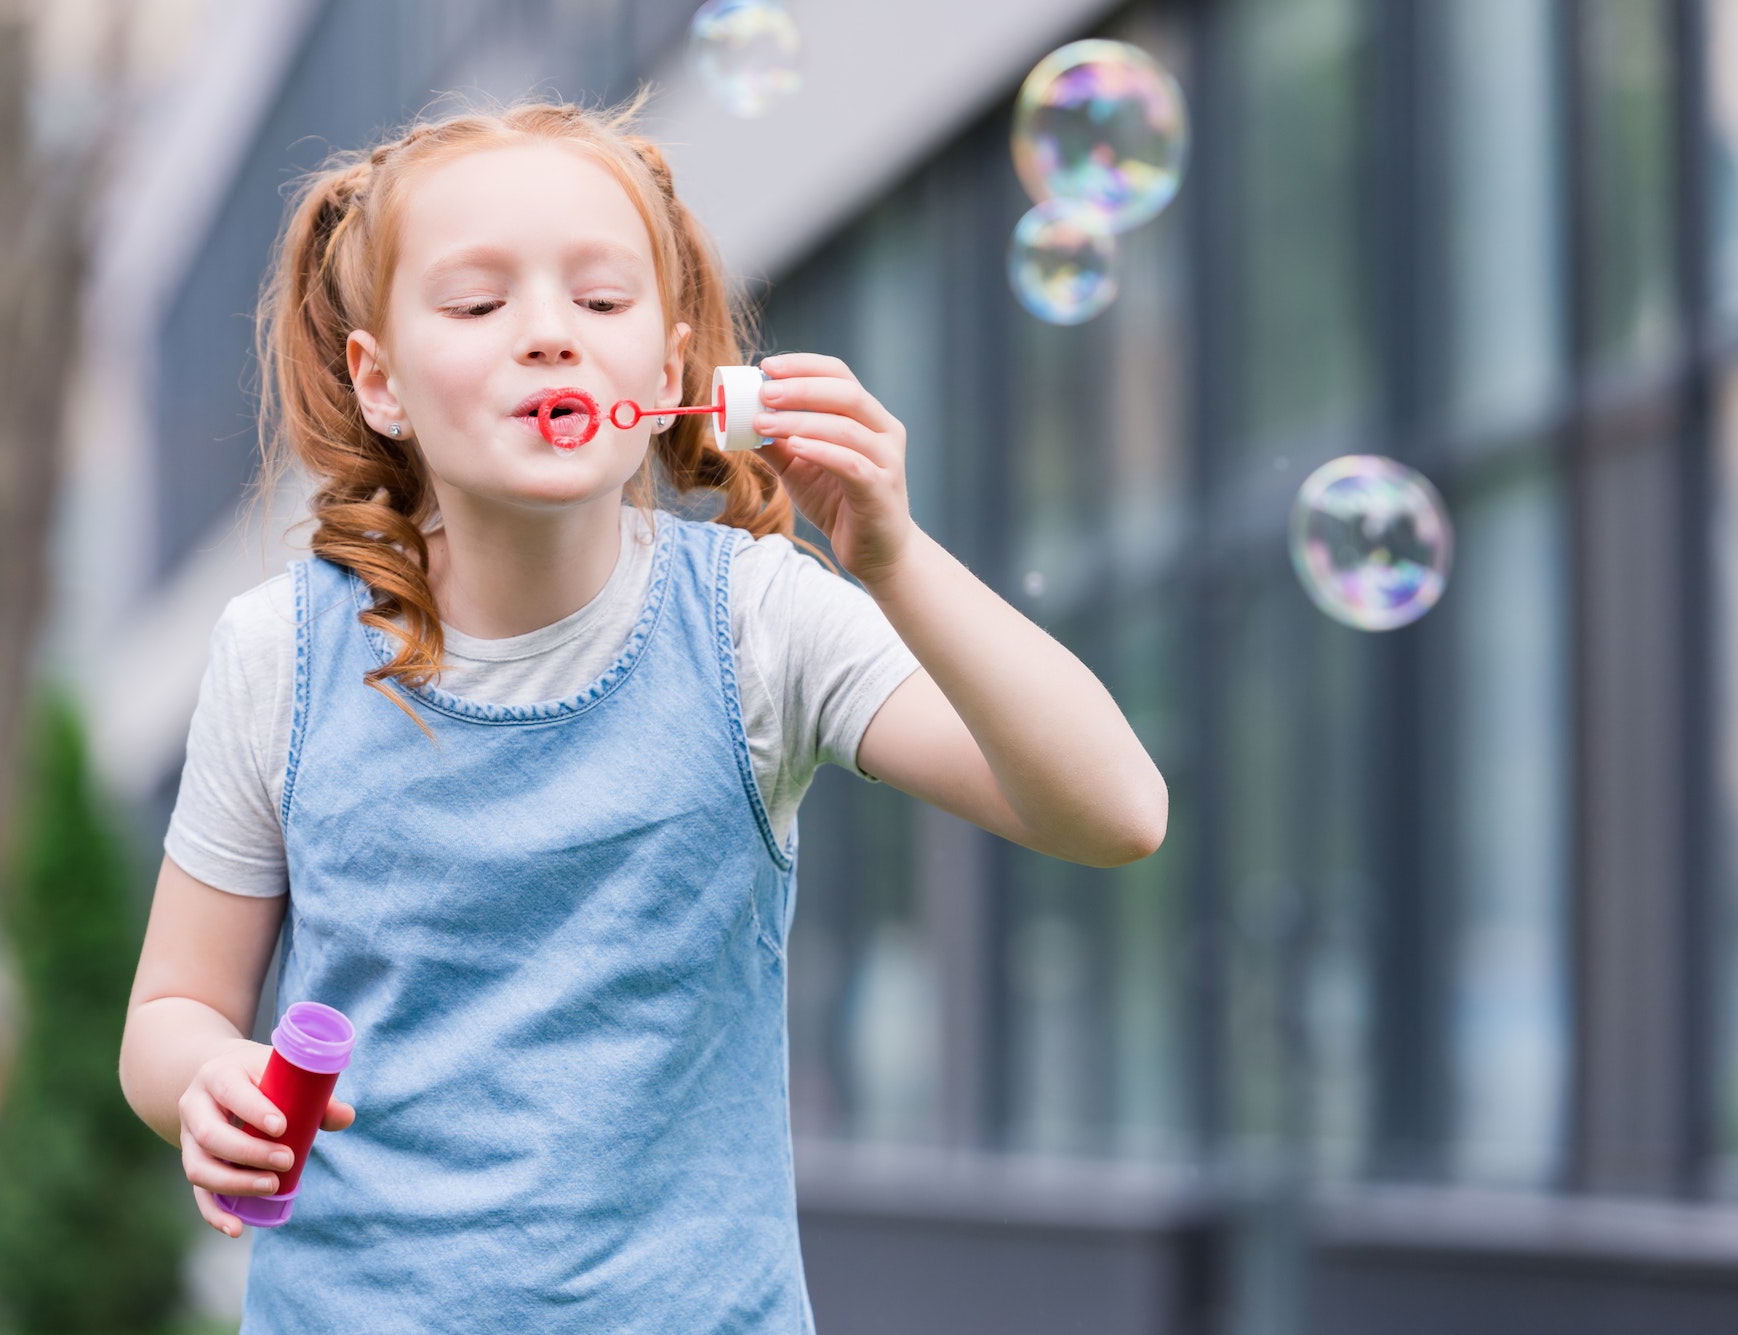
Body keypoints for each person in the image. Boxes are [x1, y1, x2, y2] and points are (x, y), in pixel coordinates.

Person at [118, 95, 1166, 1332]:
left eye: (601, 301)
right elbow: (168, 1016)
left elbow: (1114, 812)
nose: (548, 335)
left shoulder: (755, 624)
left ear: (669, 377)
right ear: (380, 382)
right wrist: (209, 1080)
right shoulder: (279, 653)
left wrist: (895, 558)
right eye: (477, 303)